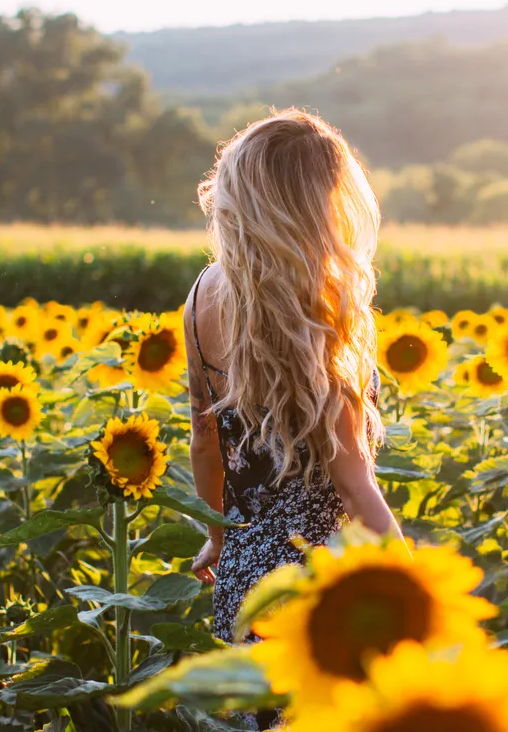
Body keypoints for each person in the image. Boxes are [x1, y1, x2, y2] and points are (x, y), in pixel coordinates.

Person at [183, 109, 404, 665]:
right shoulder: (321, 315)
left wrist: (219, 534)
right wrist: (415, 592)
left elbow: (205, 438)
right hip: (319, 584)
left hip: (244, 584)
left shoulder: (201, 295)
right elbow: (355, 485)